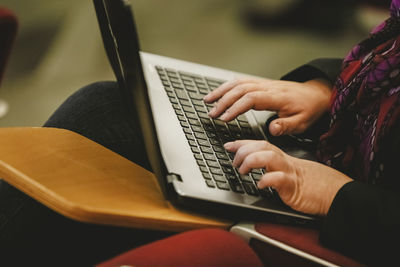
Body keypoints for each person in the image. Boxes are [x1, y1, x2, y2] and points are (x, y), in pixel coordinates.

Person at [0, 0, 399, 266]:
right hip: (350, 143)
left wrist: (337, 196)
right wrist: (328, 89)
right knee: (104, 107)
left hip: (358, 211)